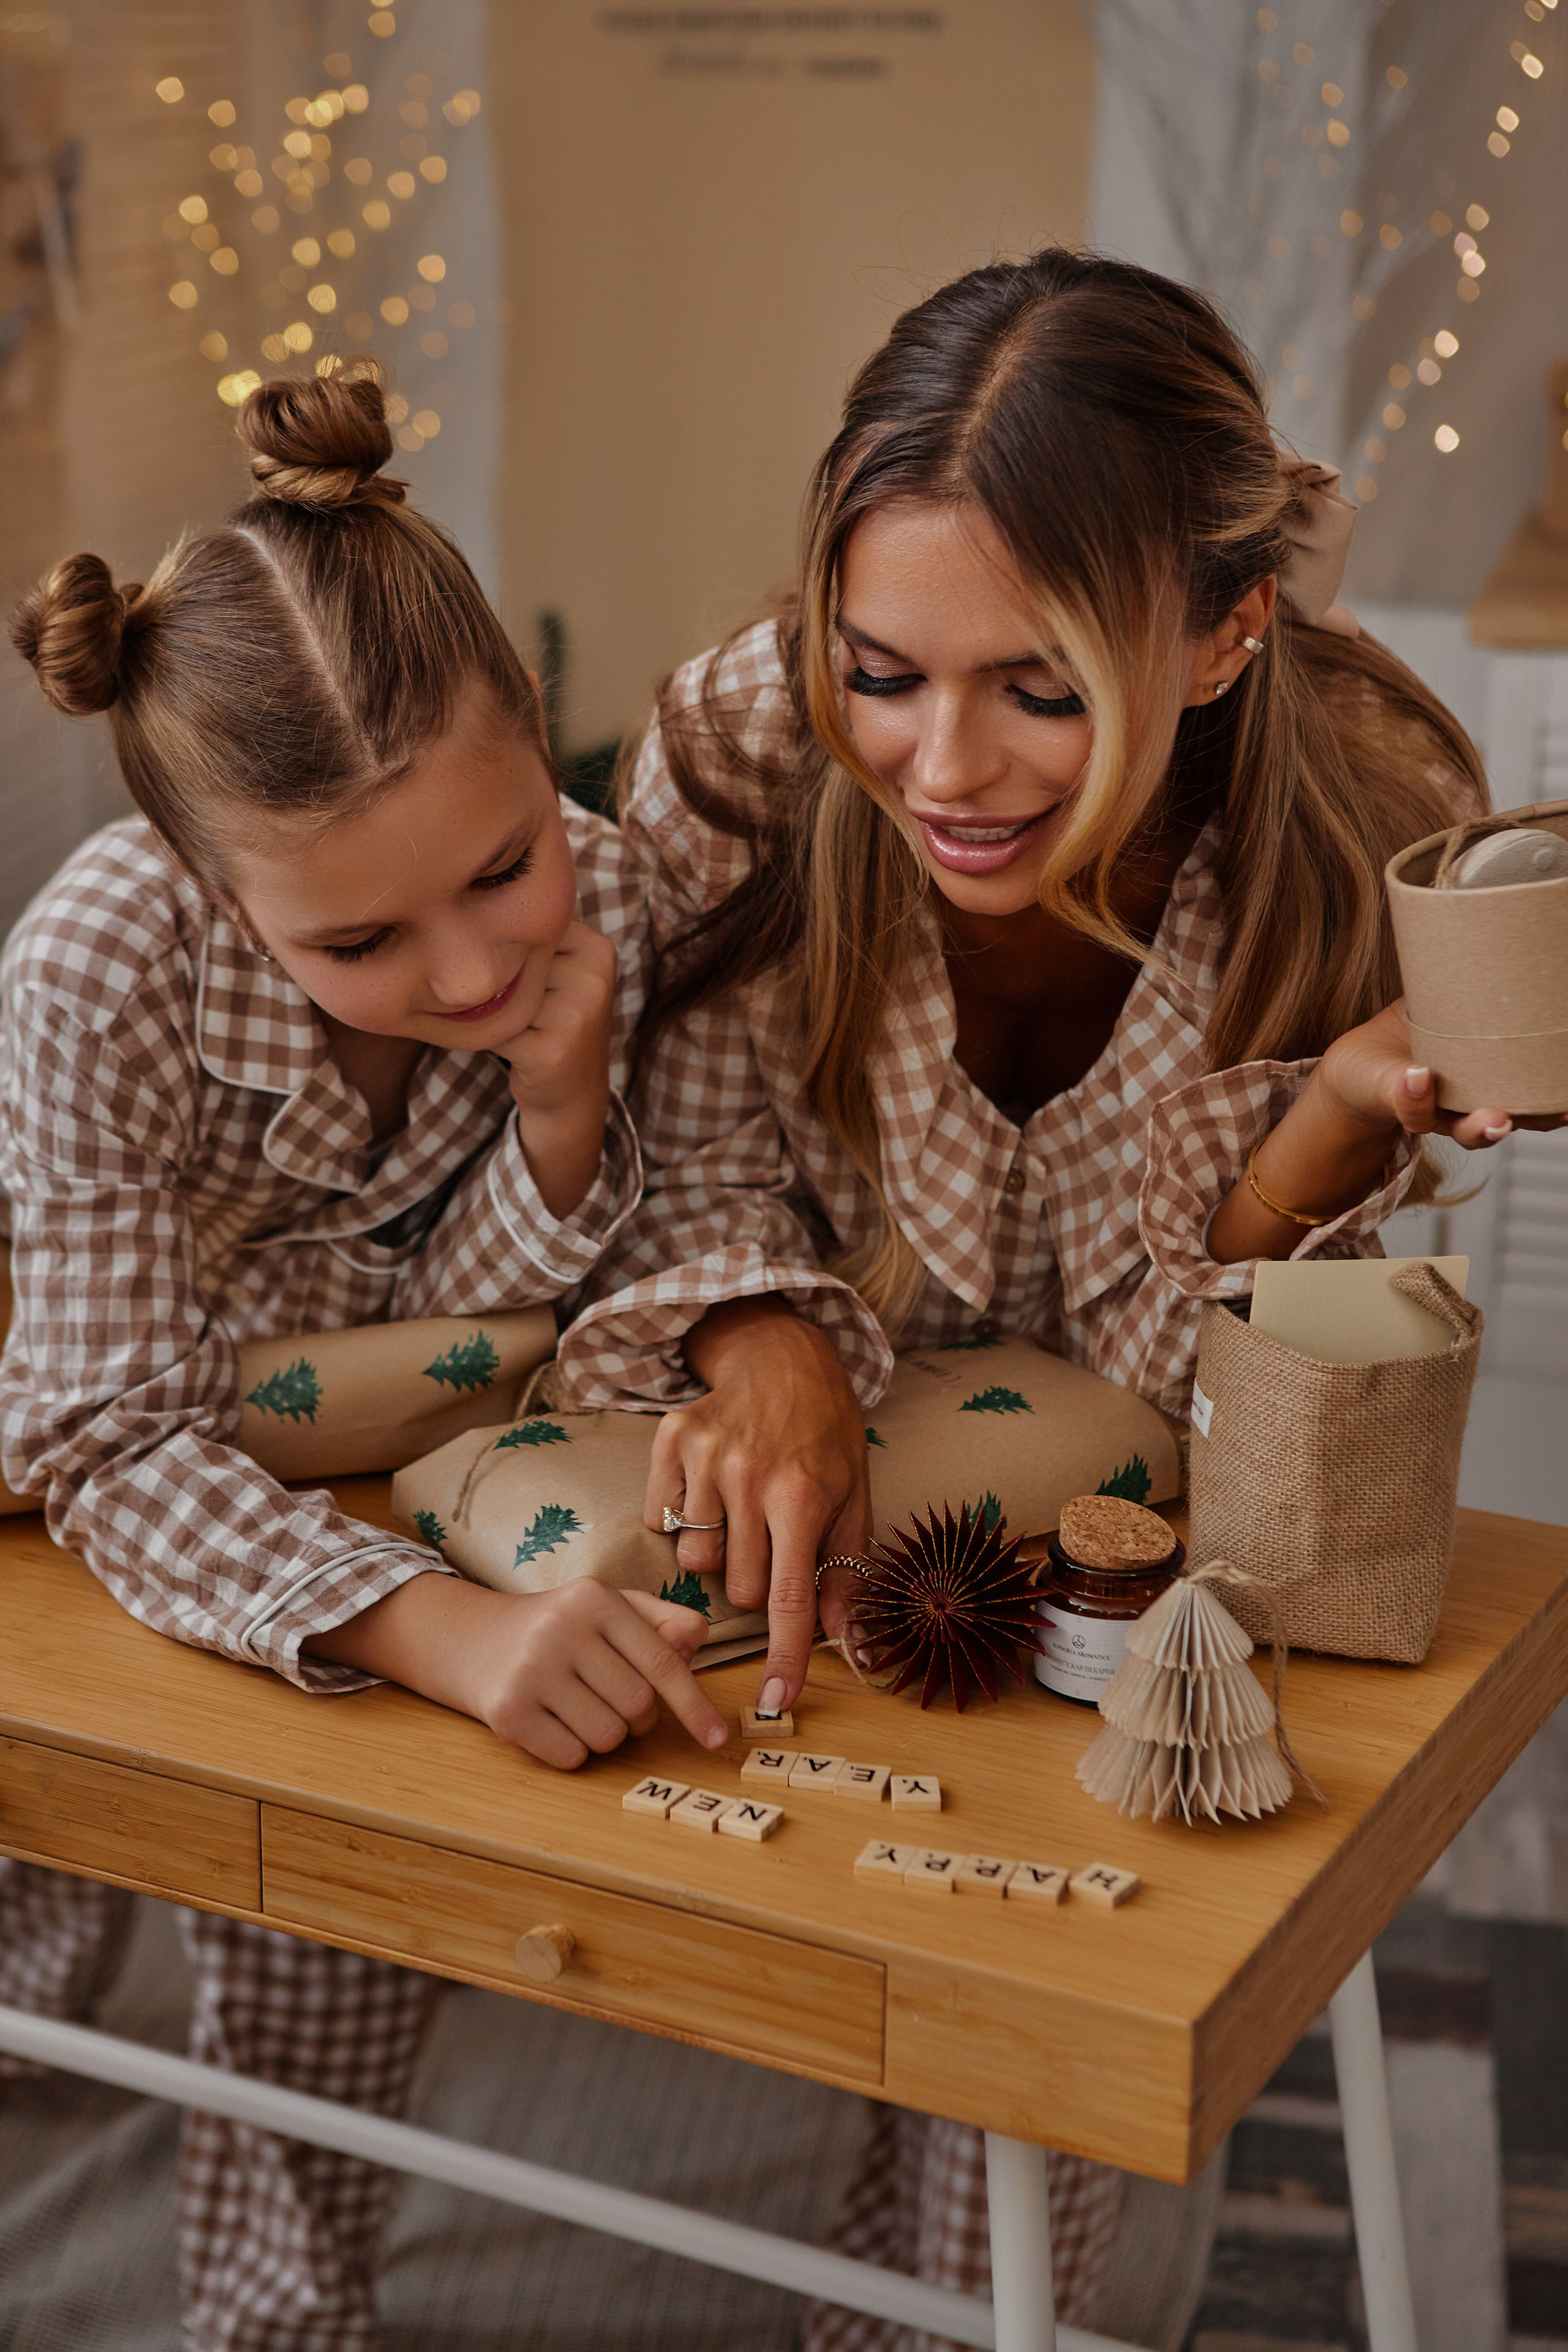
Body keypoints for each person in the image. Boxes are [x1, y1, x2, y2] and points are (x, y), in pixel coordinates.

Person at [555, 249, 1545, 2336]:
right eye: (885, 668)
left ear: (1223, 632)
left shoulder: (1379, 817)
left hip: (1148, 1470)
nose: (945, 769)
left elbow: (1221, 1377)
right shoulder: (751, 741)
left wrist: (1327, 1136)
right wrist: (763, 1338)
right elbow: (668, 1101)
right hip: (829, 1416)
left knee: (1053, 2021)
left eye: (1041, 687)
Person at [1, 366, 724, 2352]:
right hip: (89, 1407)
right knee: (57, 1861)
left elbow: (499, 1332)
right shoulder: (95, 970)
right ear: (216, 893)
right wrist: (436, 1629)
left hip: (377, 1431)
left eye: (504, 869)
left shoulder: (612, 906)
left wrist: (564, 1111)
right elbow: (105, 1432)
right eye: (359, 947)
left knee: (324, 1892)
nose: (477, 975)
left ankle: (274, 2306)